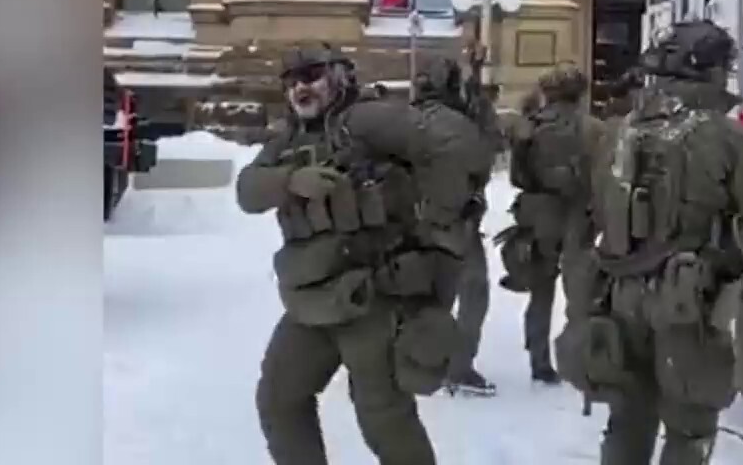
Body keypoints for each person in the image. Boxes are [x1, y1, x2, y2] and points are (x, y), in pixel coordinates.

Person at [236, 42, 482, 465]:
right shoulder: (291, 139)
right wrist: (292, 181)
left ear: (339, 76)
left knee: (384, 417)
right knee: (279, 398)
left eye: (311, 75)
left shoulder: (367, 119)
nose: (301, 88)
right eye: (292, 81)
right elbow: (247, 190)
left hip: (374, 295)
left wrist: (440, 220)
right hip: (312, 299)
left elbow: (457, 146)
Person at [555, 21, 743, 465]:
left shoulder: (613, 132)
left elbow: (581, 224)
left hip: (617, 295)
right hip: (690, 305)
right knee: (689, 430)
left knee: (628, 418)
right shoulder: (734, 140)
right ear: (713, 72)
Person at [498, 62, 604, 384]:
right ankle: (579, 361)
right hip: (578, 214)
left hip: (539, 214)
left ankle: (539, 361)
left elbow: (517, 176)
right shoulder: (595, 129)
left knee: (541, 292)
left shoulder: (529, 127)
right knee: (580, 293)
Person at [411, 56, 499, 397]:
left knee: (418, 294)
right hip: (454, 223)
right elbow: (485, 156)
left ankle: (415, 360)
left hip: (410, 221)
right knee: (472, 293)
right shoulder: (459, 125)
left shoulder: (404, 119)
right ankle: (457, 366)